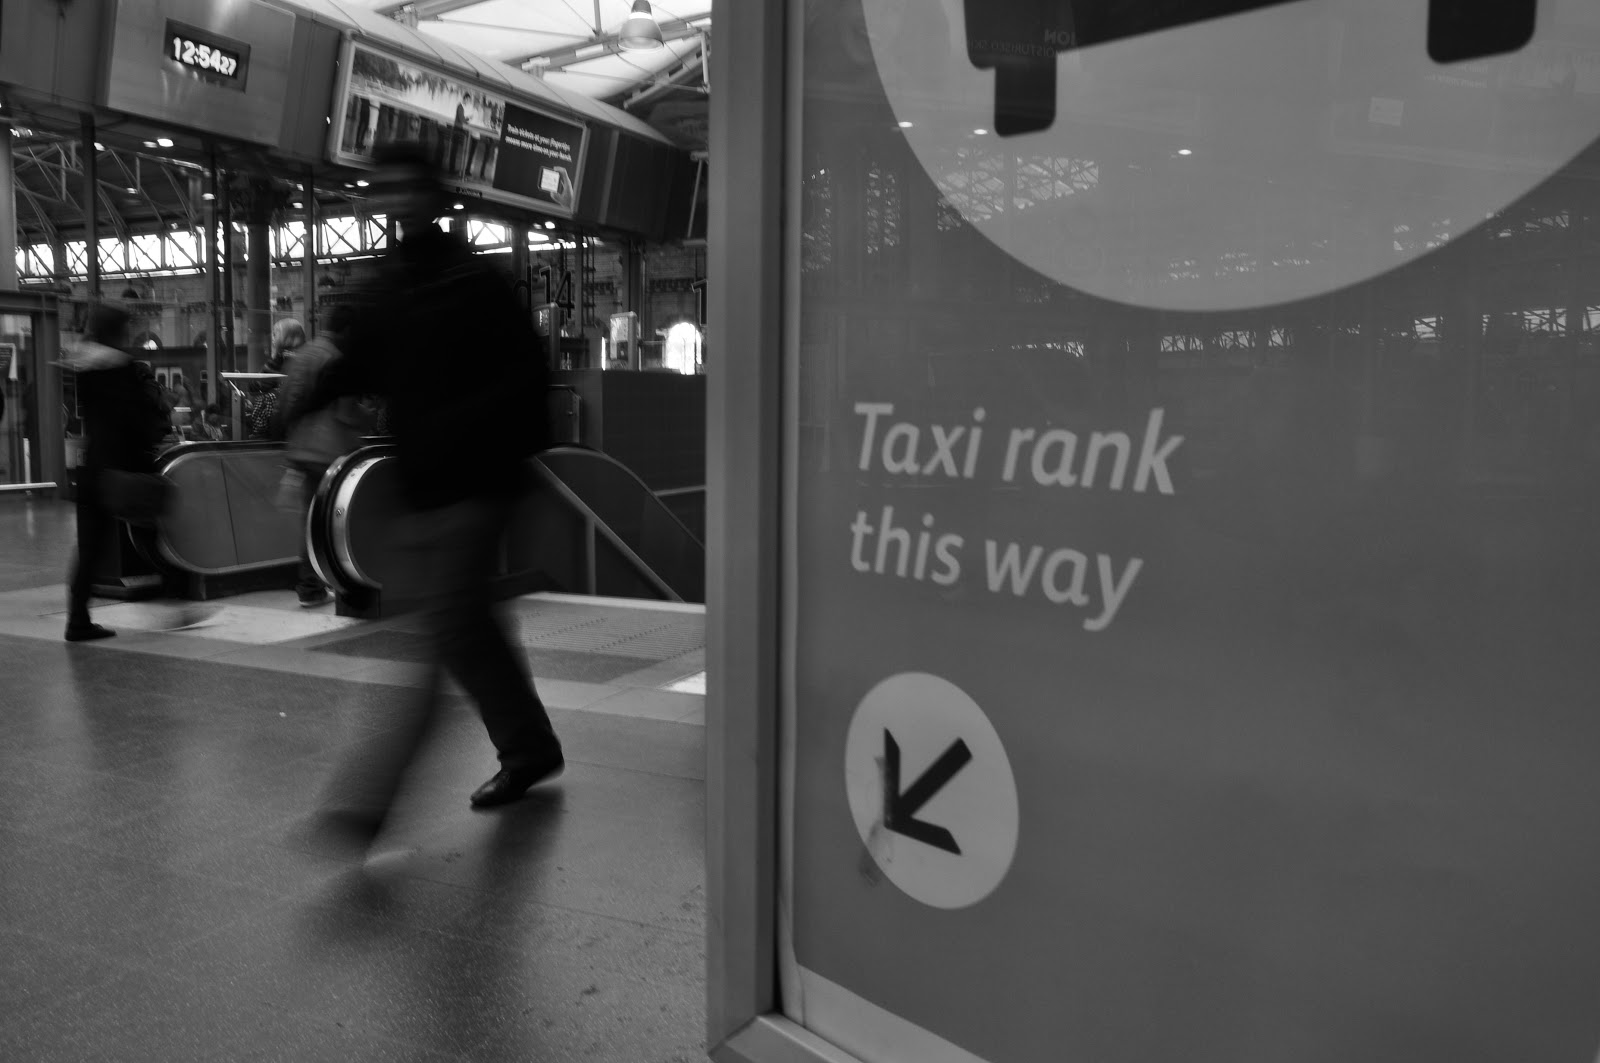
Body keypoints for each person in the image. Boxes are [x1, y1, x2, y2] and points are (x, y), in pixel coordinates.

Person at [292, 139, 563, 853]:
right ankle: (530, 746)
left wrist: (461, 427)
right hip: (425, 486)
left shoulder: (475, 281)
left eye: (409, 186)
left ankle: (367, 806)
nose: (397, 199)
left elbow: (526, 378)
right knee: (466, 630)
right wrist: (301, 403)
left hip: (479, 482)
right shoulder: (390, 283)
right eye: (385, 188)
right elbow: (363, 363)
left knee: (443, 631)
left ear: (437, 195)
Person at [61, 305, 169, 641]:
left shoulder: (84, 367)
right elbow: (137, 419)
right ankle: (174, 594)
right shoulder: (123, 368)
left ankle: (78, 619)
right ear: (117, 332)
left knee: (89, 549)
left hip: (93, 467)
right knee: (155, 527)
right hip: (119, 470)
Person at [279, 303, 373, 607]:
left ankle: (310, 586)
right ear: (347, 330)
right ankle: (347, 582)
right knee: (339, 522)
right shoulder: (337, 360)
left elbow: (285, 402)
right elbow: (346, 413)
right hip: (331, 453)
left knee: (312, 521)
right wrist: (370, 415)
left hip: (301, 450)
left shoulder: (303, 355)